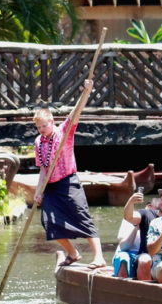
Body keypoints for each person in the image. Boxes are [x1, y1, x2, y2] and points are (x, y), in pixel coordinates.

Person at [32, 79, 106, 269]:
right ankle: (73, 253)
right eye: (39, 127)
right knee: (48, 222)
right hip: (51, 187)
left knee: (82, 216)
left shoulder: (63, 132)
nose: (42, 130)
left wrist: (86, 92)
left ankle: (99, 257)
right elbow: (43, 169)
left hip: (68, 181)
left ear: (51, 122)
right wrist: (38, 191)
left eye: (44, 126)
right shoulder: (38, 142)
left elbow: (75, 113)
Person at [113, 189, 162, 278]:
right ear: (149, 207)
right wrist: (137, 227)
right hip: (130, 254)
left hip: (154, 256)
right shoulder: (138, 217)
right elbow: (124, 246)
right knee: (123, 258)